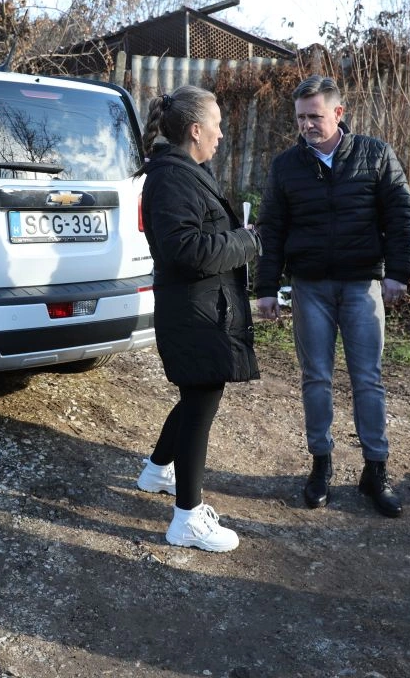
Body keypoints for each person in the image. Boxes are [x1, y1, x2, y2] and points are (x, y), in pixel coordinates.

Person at [255, 76, 410, 517]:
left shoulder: (375, 155)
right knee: (316, 378)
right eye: (300, 117)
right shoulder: (286, 166)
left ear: (339, 113)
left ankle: (375, 470)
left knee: (368, 379)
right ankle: (320, 465)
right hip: (310, 288)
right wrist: (266, 288)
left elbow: (400, 214)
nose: (307, 125)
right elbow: (272, 227)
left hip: (362, 285)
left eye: (315, 116)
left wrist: (398, 272)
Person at [133, 84, 262, 553]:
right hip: (193, 313)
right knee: (199, 406)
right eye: (217, 125)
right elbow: (185, 249)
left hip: (202, 307)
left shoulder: (185, 172)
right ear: (194, 130)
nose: (221, 134)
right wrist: (248, 241)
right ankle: (187, 518)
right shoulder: (172, 178)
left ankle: (156, 470)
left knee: (195, 397)